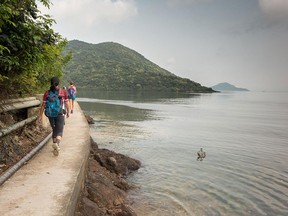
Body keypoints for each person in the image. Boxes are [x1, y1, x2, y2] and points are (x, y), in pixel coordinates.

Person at [38, 77, 70, 156]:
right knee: (59, 131)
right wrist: (68, 112)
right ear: (59, 83)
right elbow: (67, 103)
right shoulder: (63, 92)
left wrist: (40, 116)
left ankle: (54, 143)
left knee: (54, 129)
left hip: (50, 114)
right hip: (60, 113)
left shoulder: (47, 93)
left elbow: (43, 105)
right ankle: (57, 144)